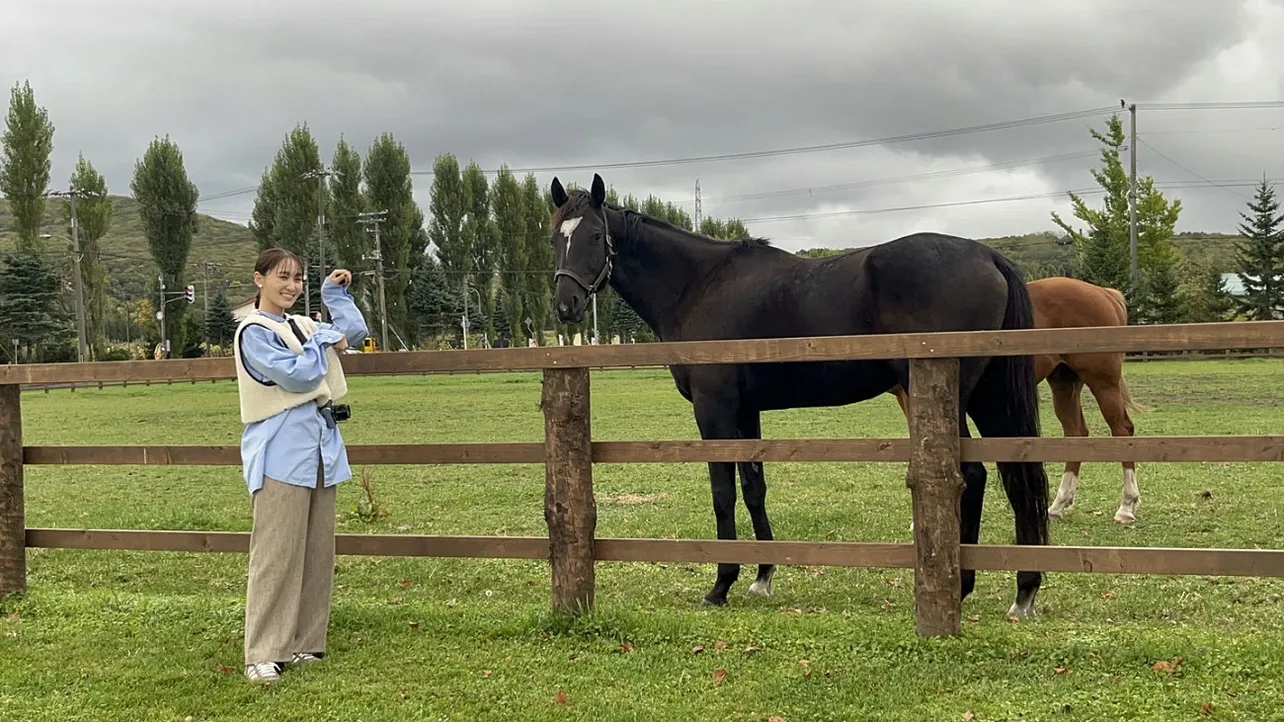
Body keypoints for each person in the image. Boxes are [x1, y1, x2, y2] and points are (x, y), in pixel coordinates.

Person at [232, 247, 369, 684]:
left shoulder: (300, 323)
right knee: (276, 552)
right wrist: (323, 341)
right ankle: (265, 650)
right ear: (259, 280)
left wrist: (335, 294)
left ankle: (307, 642)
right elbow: (299, 375)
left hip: (321, 448)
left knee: (315, 550)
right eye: (282, 277)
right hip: (280, 451)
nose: (291, 286)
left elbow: (352, 332)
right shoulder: (252, 332)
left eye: (298, 279)